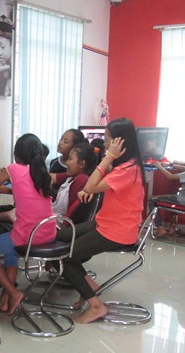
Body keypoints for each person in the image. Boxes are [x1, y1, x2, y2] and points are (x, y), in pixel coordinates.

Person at [55, 118, 146, 324]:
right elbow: (97, 185)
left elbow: (90, 186)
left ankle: (96, 306)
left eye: (107, 139)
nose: (104, 143)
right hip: (105, 223)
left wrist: (109, 157)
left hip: (117, 230)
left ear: (119, 142)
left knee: (66, 257)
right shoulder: (126, 165)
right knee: (60, 237)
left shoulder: (128, 169)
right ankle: (90, 288)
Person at [0, 133, 55, 316]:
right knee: (11, 251)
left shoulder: (14, 169)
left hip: (28, 237)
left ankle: (14, 292)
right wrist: (14, 188)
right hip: (48, 233)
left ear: (17, 155)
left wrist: (8, 178)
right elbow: (29, 192)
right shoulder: (43, 175)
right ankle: (4, 301)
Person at [50, 142, 98, 218]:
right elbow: (53, 177)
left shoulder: (81, 180)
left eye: (70, 159)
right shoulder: (72, 176)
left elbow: (70, 215)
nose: (67, 162)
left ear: (81, 164)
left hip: (58, 222)